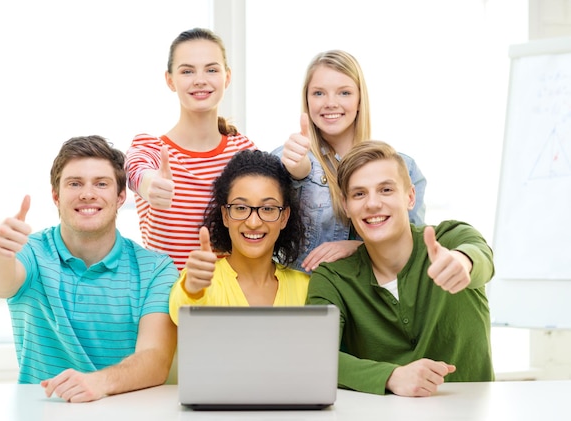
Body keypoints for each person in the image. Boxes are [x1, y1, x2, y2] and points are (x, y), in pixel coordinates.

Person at [0, 135, 179, 403]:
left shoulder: (156, 269)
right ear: (55, 196)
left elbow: (155, 360)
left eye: (101, 183)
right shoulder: (32, 252)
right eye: (74, 183)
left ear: (121, 196)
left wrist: (97, 383)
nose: (87, 193)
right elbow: (1, 283)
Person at [306, 140, 495, 397]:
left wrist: (462, 262)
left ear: (410, 197)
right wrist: (390, 376)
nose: (372, 204)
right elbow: (314, 357)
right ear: (346, 205)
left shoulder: (450, 238)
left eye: (385, 190)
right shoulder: (332, 278)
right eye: (359, 194)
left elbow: (480, 256)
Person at [273, 50, 427, 272]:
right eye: (318, 93)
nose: (330, 103)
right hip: (306, 299)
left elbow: (413, 249)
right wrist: (295, 176)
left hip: (373, 301)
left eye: (344, 93)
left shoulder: (404, 167)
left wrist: (358, 248)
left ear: (359, 100)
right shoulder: (287, 158)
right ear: (306, 99)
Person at [125, 27, 256, 271]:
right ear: (170, 80)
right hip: (164, 300)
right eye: (187, 71)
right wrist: (151, 185)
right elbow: (135, 169)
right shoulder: (152, 147)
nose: (200, 79)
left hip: (226, 301)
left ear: (227, 77)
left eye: (211, 69)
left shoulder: (244, 152)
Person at [168, 149, 308, 324]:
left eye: (268, 209)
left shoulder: (305, 286)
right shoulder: (201, 280)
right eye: (241, 208)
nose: (253, 222)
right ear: (225, 215)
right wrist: (193, 289)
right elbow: (181, 312)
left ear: (284, 217)